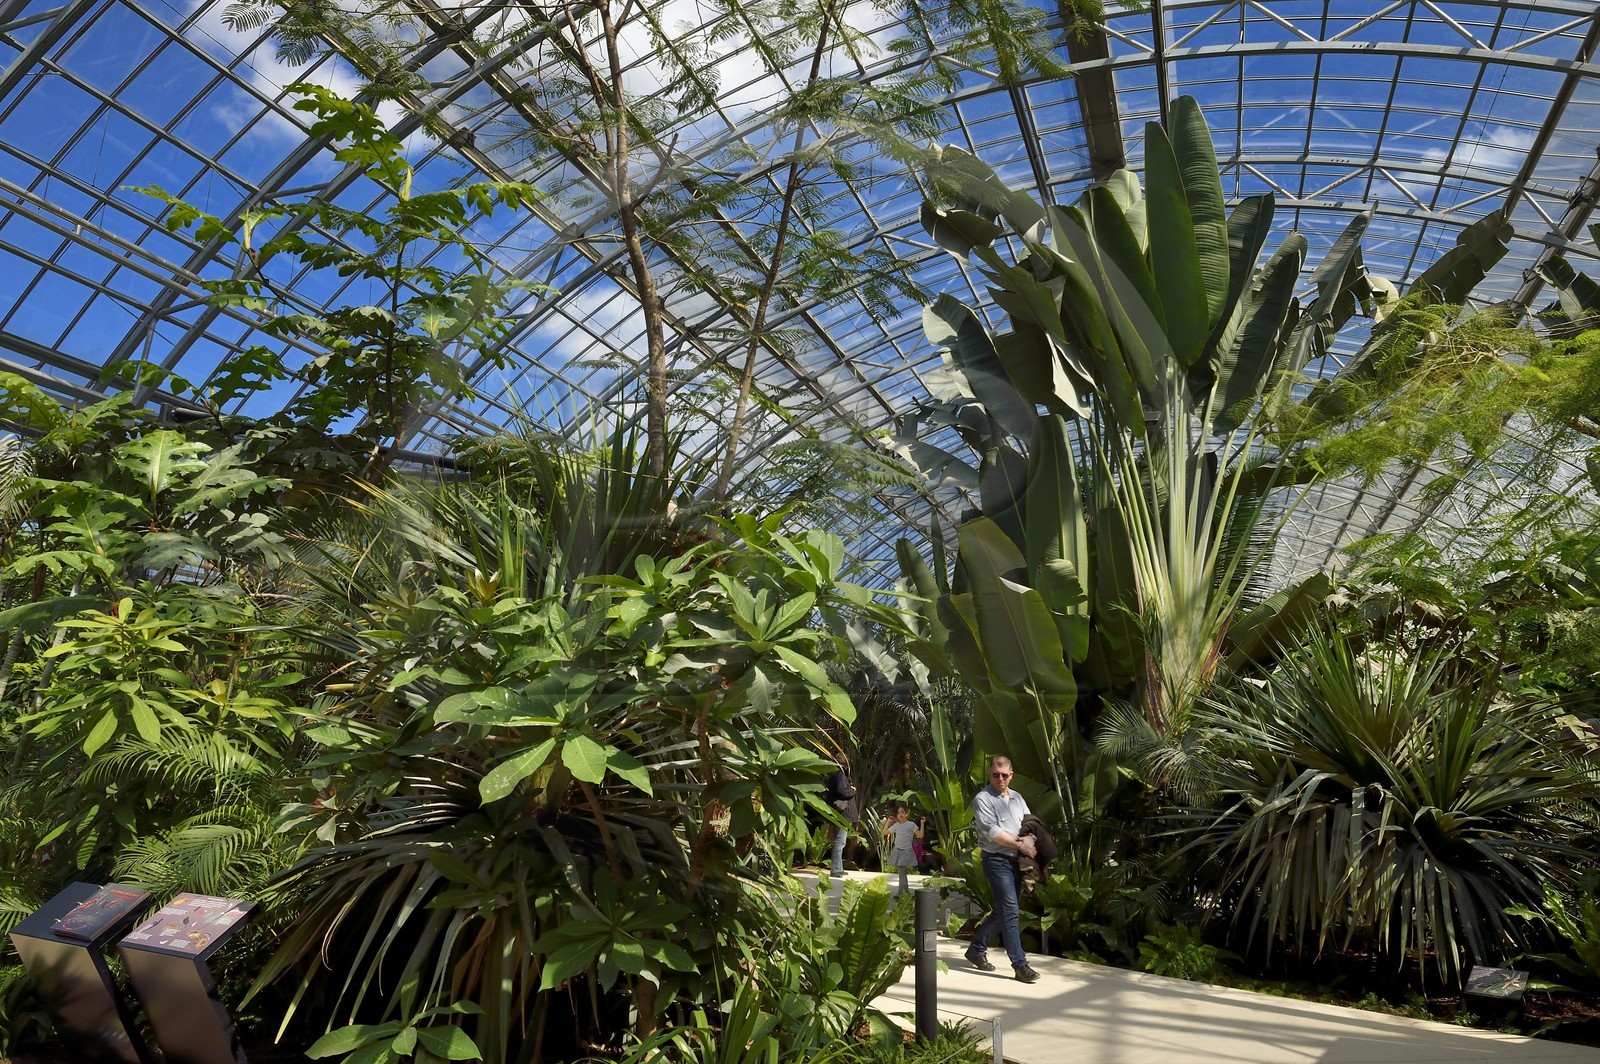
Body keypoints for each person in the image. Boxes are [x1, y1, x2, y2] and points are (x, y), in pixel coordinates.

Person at [965, 755, 1040, 983]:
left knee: (1004, 910)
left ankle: (976, 949)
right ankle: (1020, 965)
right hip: (996, 860)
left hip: (1016, 861)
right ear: (989, 774)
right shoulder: (983, 799)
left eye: (1004, 775)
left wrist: (1031, 838)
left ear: (1011, 775)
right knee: (1010, 910)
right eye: (996, 775)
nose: (1000, 779)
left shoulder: (1017, 798)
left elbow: (1029, 824)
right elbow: (994, 834)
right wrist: (1022, 844)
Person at [822, 759, 857, 876]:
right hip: (843, 814)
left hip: (840, 813)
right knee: (840, 842)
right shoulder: (840, 775)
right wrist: (852, 791)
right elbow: (843, 792)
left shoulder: (835, 775)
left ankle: (838, 867)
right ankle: (836, 869)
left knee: (840, 841)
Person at [881, 803, 924, 896]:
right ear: (896, 815)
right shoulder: (896, 826)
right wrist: (888, 822)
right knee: (903, 873)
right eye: (898, 813)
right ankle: (907, 892)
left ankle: (900, 893)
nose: (900, 814)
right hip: (898, 851)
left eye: (902, 812)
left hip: (906, 852)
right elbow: (884, 832)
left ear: (906, 814)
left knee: (901, 873)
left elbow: (920, 835)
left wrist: (922, 823)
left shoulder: (911, 825)